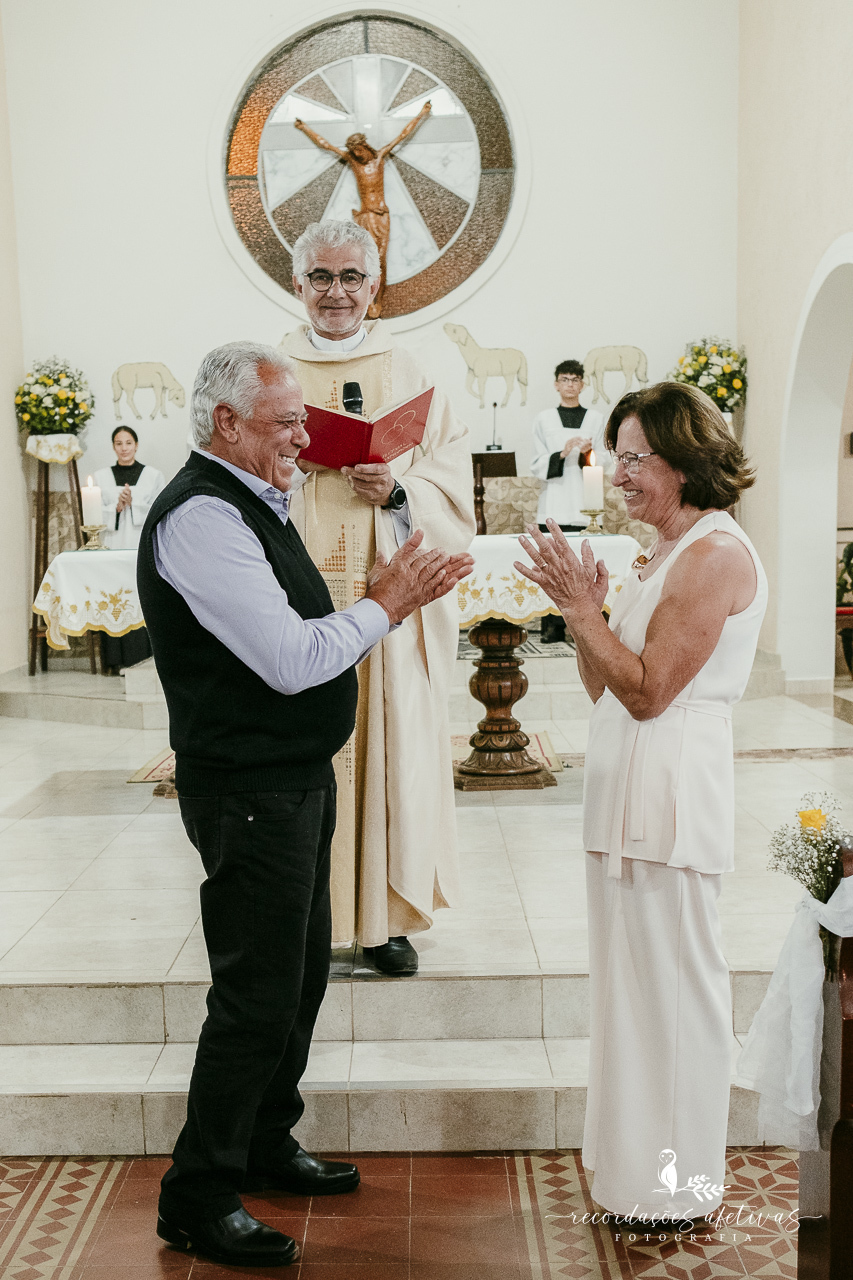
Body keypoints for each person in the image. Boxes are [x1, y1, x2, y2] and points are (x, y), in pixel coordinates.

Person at [137, 341, 472, 1267]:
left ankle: (261, 1140)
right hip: (247, 786)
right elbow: (290, 661)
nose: (302, 438)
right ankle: (196, 1194)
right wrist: (385, 604)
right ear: (225, 423)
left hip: (289, 777)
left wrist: (384, 601)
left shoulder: (255, 497)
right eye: (286, 422)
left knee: (297, 981)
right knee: (254, 997)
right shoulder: (202, 517)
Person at [515, 382, 766, 1229]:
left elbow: (651, 692)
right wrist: (580, 614)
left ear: (684, 459)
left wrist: (584, 610)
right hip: (626, 782)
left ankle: (679, 1184)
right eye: (613, 457)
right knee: (630, 993)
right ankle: (634, 1176)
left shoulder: (712, 554)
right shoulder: (661, 552)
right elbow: (606, 688)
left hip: (671, 788)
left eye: (632, 458)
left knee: (675, 992)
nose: (616, 474)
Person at [280, 219, 475, 976]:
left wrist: (398, 490)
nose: (336, 293)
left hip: (387, 598)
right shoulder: (268, 370)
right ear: (298, 284)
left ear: (375, 283)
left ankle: (382, 921)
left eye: (351, 277)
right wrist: (290, 470)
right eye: (321, 277)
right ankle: (306, 918)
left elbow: (450, 474)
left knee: (389, 746)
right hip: (292, 594)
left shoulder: (413, 366)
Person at [294, 102, 432, 317]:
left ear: (365, 146)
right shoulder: (353, 162)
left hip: (381, 215)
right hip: (365, 215)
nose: (357, 154)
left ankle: (378, 300)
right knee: (366, 259)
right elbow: (326, 145)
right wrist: (305, 128)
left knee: (381, 258)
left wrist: (422, 113)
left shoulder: (379, 158)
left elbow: (403, 135)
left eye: (359, 149)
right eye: (354, 151)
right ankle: (366, 300)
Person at [529, 360, 606, 642]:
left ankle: (586, 624)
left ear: (582, 384)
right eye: (565, 379)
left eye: (575, 379)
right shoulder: (544, 419)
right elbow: (536, 463)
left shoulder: (596, 419)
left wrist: (587, 452)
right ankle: (552, 625)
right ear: (556, 384)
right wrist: (561, 454)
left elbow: (605, 459)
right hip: (555, 500)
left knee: (584, 564)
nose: (570, 384)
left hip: (586, 502)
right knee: (553, 565)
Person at [93, 425, 165, 669]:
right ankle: (114, 661)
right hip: (112, 546)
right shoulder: (101, 477)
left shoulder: (153, 476)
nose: (124, 448)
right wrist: (116, 507)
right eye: (119, 443)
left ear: (136, 445)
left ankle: (142, 659)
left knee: (139, 599)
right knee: (112, 599)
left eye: (128, 443)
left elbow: (158, 510)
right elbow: (92, 513)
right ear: (113, 447)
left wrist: (135, 505)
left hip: (139, 547)